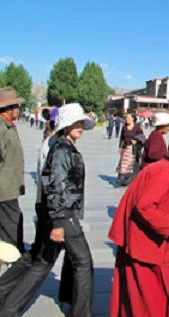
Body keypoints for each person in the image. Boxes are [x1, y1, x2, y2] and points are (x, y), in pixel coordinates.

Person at [0, 103, 96, 316]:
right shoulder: (61, 149)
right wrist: (59, 221)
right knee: (83, 263)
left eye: (81, 122)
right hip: (63, 214)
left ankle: (8, 308)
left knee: (42, 262)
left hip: (54, 212)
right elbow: (55, 186)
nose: (80, 126)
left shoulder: (63, 146)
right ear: (64, 125)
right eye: (75, 122)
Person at [109, 139, 169, 317]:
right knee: (153, 295)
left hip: (146, 240)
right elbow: (144, 206)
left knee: (150, 291)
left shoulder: (163, 169)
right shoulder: (164, 172)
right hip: (145, 244)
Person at [0, 87, 25, 253]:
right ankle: (13, 265)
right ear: (8, 109)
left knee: (13, 223)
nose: (19, 109)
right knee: (11, 228)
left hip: (9, 188)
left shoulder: (8, 125)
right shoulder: (1, 128)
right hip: (4, 189)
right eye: (17, 106)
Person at [116, 113, 145, 186]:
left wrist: (136, 141)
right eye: (126, 118)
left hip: (133, 149)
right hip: (125, 148)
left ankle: (128, 180)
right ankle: (120, 179)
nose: (126, 119)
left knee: (130, 164)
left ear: (133, 119)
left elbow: (142, 137)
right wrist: (120, 147)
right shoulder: (124, 127)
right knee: (123, 164)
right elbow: (121, 138)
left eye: (128, 118)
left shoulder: (137, 128)